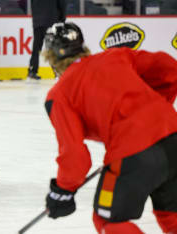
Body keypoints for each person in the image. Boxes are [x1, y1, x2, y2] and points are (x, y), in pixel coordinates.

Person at [42, 22, 177, 233]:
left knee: (108, 220)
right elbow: (170, 69)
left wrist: (62, 191)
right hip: (173, 134)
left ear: (50, 56)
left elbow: (75, 157)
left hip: (133, 151)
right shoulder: (115, 56)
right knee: (172, 216)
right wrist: (153, 112)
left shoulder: (59, 95)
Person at [27, 0, 66, 80]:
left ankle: (32, 71)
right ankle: (57, 71)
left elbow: (32, 5)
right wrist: (62, 19)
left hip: (38, 21)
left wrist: (36, 18)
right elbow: (62, 4)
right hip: (51, 20)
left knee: (36, 47)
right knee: (52, 48)